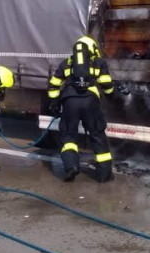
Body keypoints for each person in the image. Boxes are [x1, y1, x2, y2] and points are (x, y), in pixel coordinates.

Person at [47, 35, 115, 183]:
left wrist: (54, 104)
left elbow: (54, 85)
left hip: (70, 102)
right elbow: (106, 85)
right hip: (90, 101)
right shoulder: (98, 63)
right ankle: (104, 175)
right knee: (97, 135)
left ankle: (71, 167)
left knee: (68, 136)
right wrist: (111, 95)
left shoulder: (67, 63)